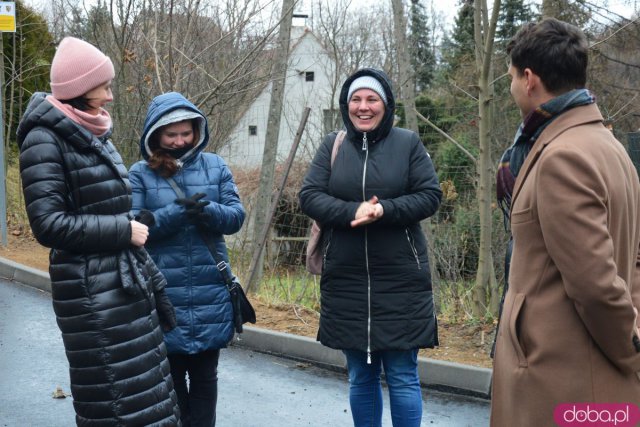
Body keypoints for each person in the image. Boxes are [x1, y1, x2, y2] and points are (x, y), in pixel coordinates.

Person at [16, 37, 181, 425]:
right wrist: (122, 231)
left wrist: (154, 284)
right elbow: (48, 223)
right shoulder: (44, 138)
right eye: (103, 86)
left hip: (121, 288)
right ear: (79, 88)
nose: (109, 96)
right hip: (92, 297)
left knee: (147, 401)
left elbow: (112, 213)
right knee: (118, 405)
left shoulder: (89, 132)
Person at [491, 18, 640, 426]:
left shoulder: (562, 157)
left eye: (510, 78)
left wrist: (632, 352)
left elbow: (595, 286)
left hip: (565, 387)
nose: (510, 88)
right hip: (591, 381)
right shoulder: (609, 145)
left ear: (529, 78)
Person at [299, 68, 442, 427]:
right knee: (360, 378)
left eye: (371, 99)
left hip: (401, 282)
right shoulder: (332, 145)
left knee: (402, 376)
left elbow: (429, 196)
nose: (363, 107)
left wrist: (384, 210)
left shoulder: (407, 143)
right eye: (356, 100)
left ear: (386, 105)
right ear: (346, 104)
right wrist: (353, 211)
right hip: (346, 280)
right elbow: (310, 196)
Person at [129, 92, 245, 427]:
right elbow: (135, 227)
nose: (180, 141)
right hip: (164, 291)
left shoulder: (216, 165)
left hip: (211, 288)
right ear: (156, 134)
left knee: (207, 377)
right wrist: (176, 214)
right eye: (171, 135)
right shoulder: (139, 173)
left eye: (186, 133)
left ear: (197, 130)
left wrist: (207, 211)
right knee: (172, 378)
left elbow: (236, 217)